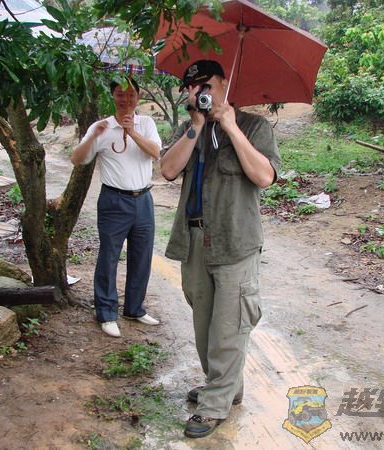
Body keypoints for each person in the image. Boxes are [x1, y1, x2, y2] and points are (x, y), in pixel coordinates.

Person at [161, 60, 281, 438]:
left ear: (225, 83)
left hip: (235, 242)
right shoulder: (189, 128)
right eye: (193, 87)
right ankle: (227, 387)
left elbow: (264, 176)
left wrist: (229, 124)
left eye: (207, 85)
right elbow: (168, 170)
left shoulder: (254, 127)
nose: (201, 93)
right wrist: (197, 127)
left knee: (229, 328)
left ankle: (214, 404)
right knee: (205, 327)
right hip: (195, 241)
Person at [71, 78, 162, 338]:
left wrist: (132, 132)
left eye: (131, 94)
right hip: (114, 200)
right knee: (109, 257)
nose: (126, 99)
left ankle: (134, 308)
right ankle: (106, 312)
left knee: (142, 256)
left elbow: (155, 152)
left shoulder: (147, 123)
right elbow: (77, 159)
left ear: (139, 96)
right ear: (112, 96)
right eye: (120, 94)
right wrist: (93, 137)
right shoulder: (101, 127)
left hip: (143, 199)